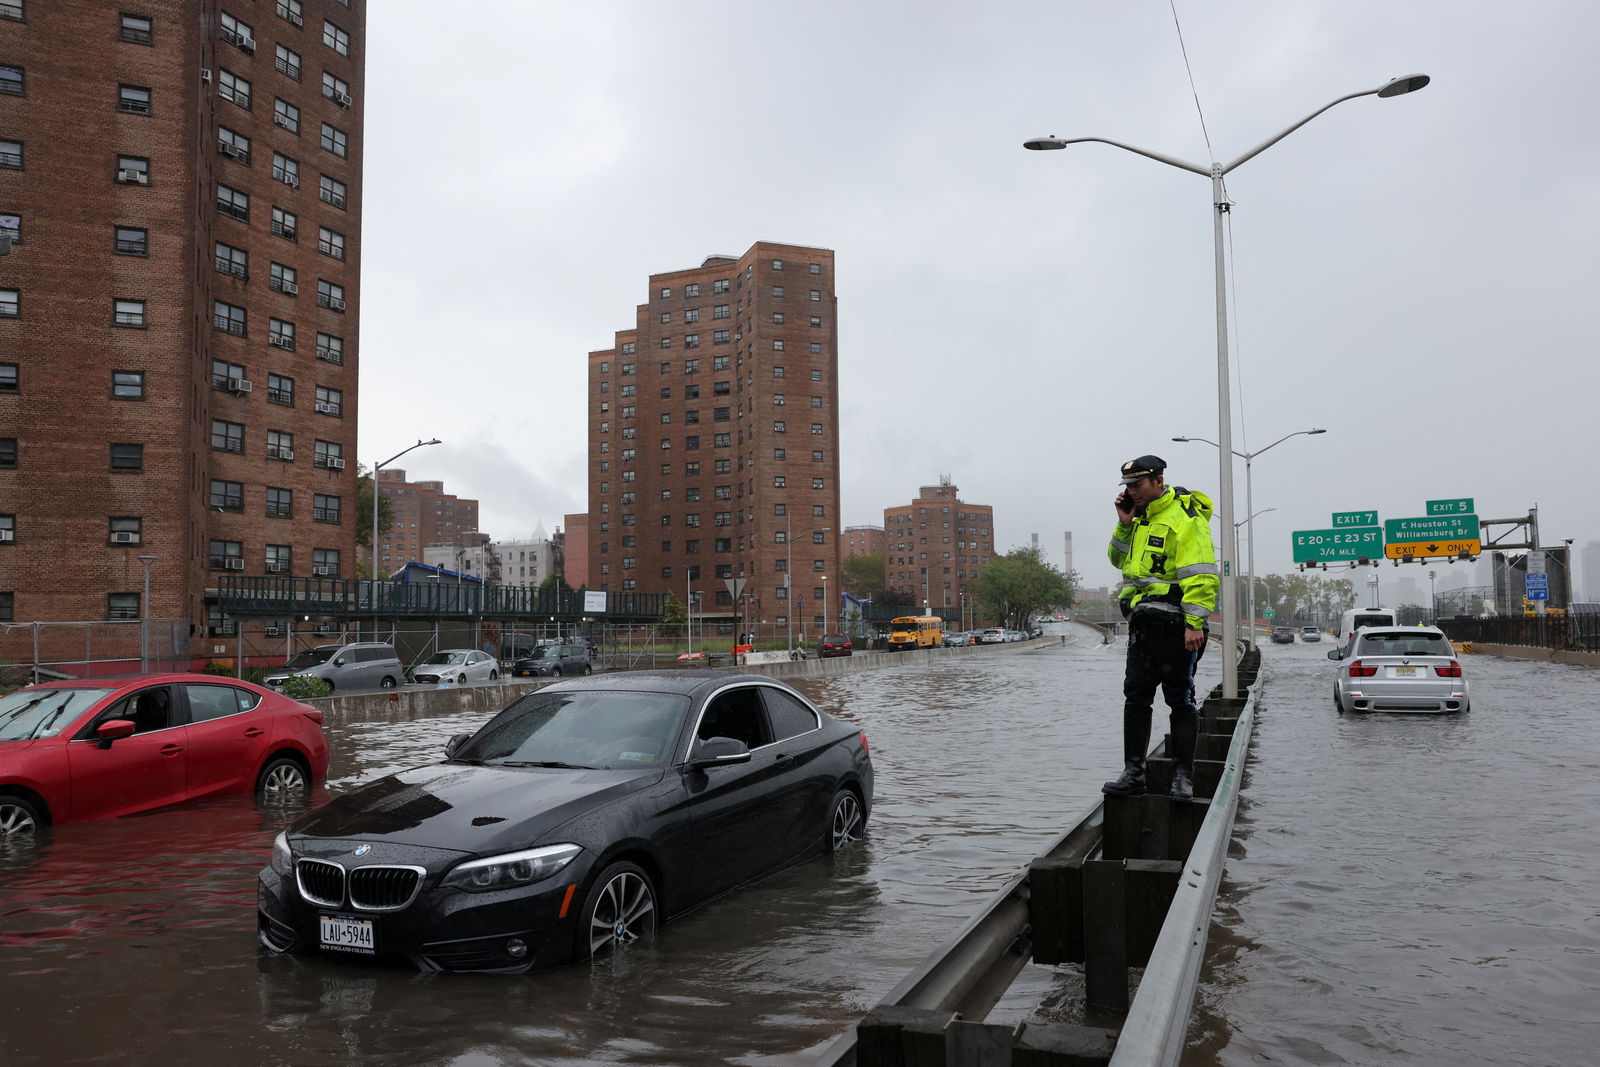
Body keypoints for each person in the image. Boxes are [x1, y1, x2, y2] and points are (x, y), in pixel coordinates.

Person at [1103, 455, 1218, 801]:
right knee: (1135, 698)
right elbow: (1118, 559)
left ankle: (1183, 779)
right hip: (1143, 627)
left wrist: (1194, 623)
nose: (1132, 492)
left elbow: (1201, 573)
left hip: (1177, 625)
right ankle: (1133, 773)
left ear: (1158, 480)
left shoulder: (1185, 516)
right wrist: (1124, 523)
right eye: (1128, 486)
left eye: (1138, 485)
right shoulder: (1138, 520)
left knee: (1180, 700)